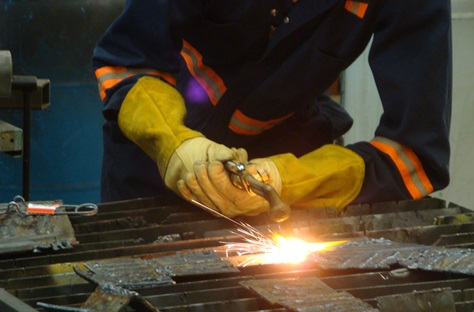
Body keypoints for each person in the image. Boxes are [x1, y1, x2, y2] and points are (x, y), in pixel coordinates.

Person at [92, 0, 452, 218]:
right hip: (152, 170)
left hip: (278, 184)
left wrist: (286, 180)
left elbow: (415, 153)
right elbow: (128, 64)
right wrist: (176, 144)